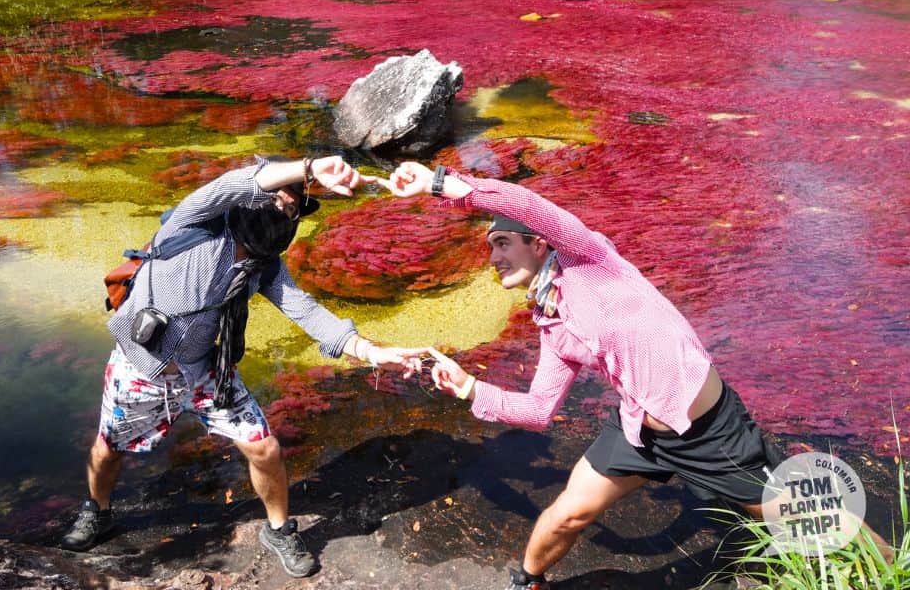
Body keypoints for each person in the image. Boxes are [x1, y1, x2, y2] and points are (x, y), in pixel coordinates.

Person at [381, 161, 786, 590]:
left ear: (538, 244)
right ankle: (527, 581)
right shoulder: (551, 322)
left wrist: (442, 185)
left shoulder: (590, 258)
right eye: (491, 248)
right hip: (638, 431)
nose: (494, 258)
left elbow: (529, 203)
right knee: (567, 515)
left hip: (709, 433)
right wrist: (469, 387)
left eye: (502, 243)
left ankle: (861, 566)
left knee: (808, 520)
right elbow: (539, 410)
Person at [61, 154, 426, 578]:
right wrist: (308, 169)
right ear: (254, 197)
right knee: (108, 449)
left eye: (293, 209)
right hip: (141, 365)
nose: (285, 210)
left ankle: (278, 530)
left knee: (264, 448)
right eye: (280, 200)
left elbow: (305, 311)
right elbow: (233, 183)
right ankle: (98, 511)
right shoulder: (193, 221)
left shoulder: (263, 265)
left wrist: (370, 351)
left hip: (206, 372)